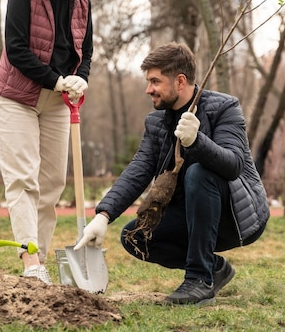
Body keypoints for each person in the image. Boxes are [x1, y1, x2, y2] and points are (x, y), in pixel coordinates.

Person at [75, 42, 270, 305]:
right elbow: (139, 169)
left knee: (199, 173)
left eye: (155, 81)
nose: (148, 89)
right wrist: (104, 214)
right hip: (189, 215)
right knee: (136, 237)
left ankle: (199, 280)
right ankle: (213, 268)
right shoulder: (156, 121)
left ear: (180, 81)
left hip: (233, 216)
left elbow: (233, 165)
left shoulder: (224, 107)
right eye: (148, 81)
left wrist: (196, 141)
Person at [0, 0, 95, 284]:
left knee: (51, 183)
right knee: (23, 179)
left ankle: (42, 265)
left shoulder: (83, 4)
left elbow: (86, 53)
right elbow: (16, 49)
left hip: (58, 101)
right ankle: (30, 261)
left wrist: (81, 77)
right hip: (17, 96)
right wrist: (56, 79)